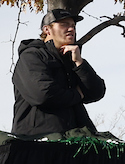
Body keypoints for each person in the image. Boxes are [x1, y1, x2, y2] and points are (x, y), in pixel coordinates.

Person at [11, 9, 107, 138]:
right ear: (47, 30)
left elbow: (96, 92)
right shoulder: (32, 56)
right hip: (38, 141)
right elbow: (43, 94)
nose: (71, 29)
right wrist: (77, 94)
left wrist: (79, 63)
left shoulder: (72, 58)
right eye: (64, 24)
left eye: (73, 26)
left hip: (75, 140)